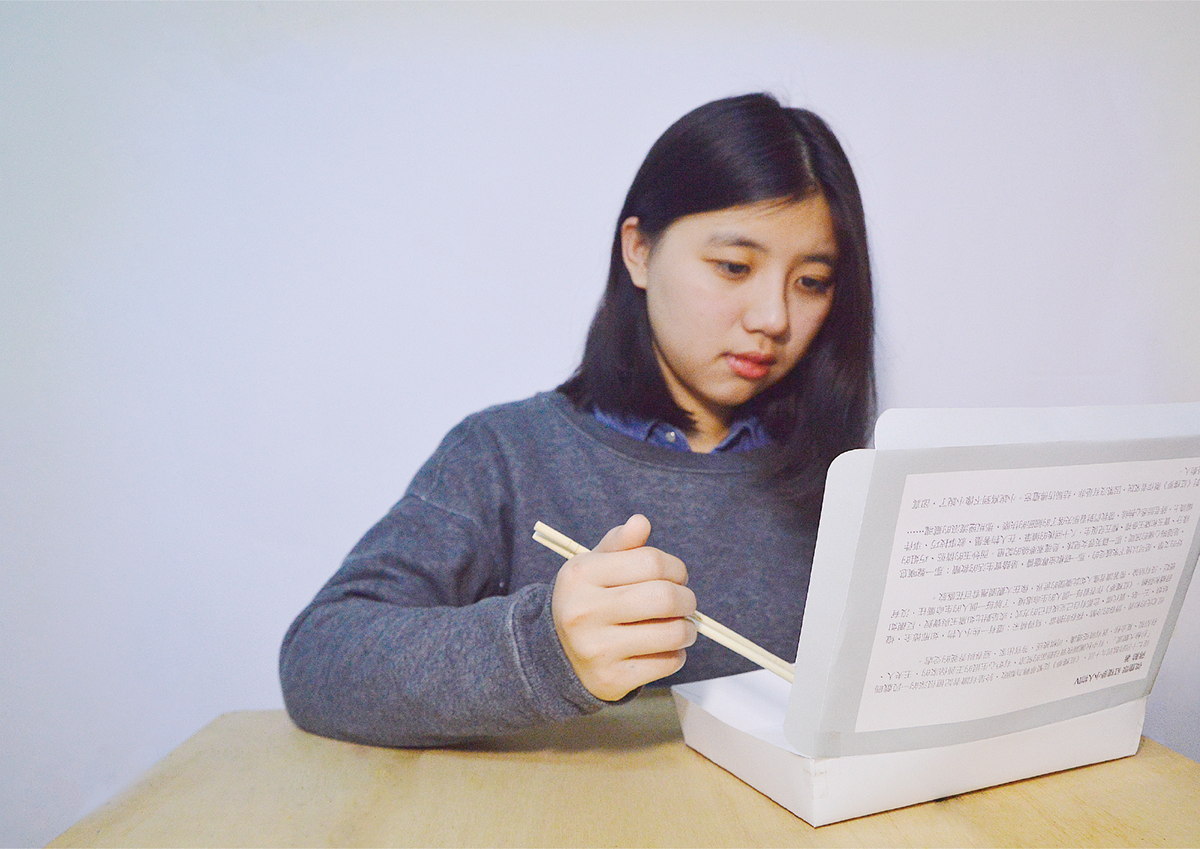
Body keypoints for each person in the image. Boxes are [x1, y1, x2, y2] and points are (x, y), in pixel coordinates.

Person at [279, 92, 875, 747]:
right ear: (639, 250)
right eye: (734, 267)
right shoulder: (507, 454)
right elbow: (319, 658)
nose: (774, 317)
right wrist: (546, 650)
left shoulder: (853, 481)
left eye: (811, 281)